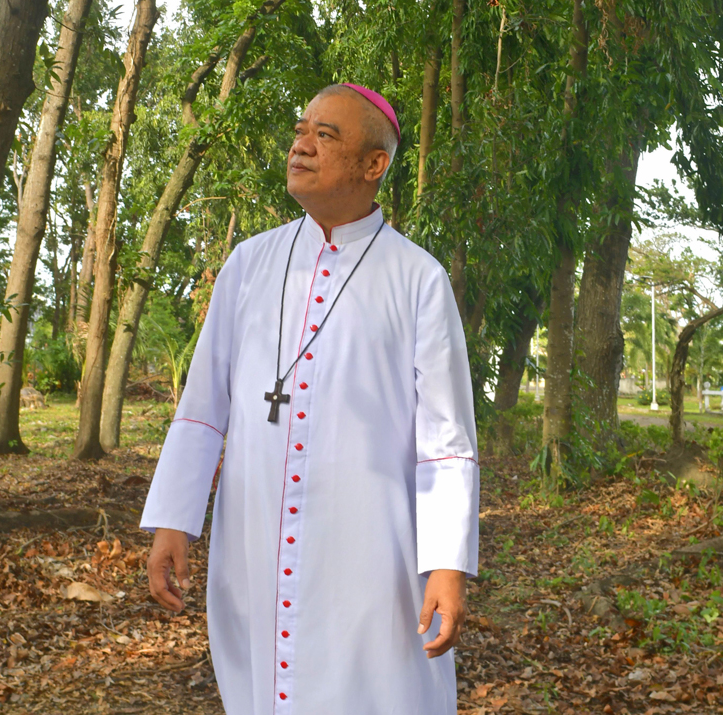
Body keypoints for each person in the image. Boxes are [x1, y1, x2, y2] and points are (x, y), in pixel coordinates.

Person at [141, 83, 479, 714]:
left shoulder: (418, 279)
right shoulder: (249, 263)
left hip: (373, 557)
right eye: (302, 130)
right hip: (255, 545)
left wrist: (447, 565)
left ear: (374, 165)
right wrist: (174, 520)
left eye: (326, 135)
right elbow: (203, 405)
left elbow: (446, 441)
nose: (302, 144)